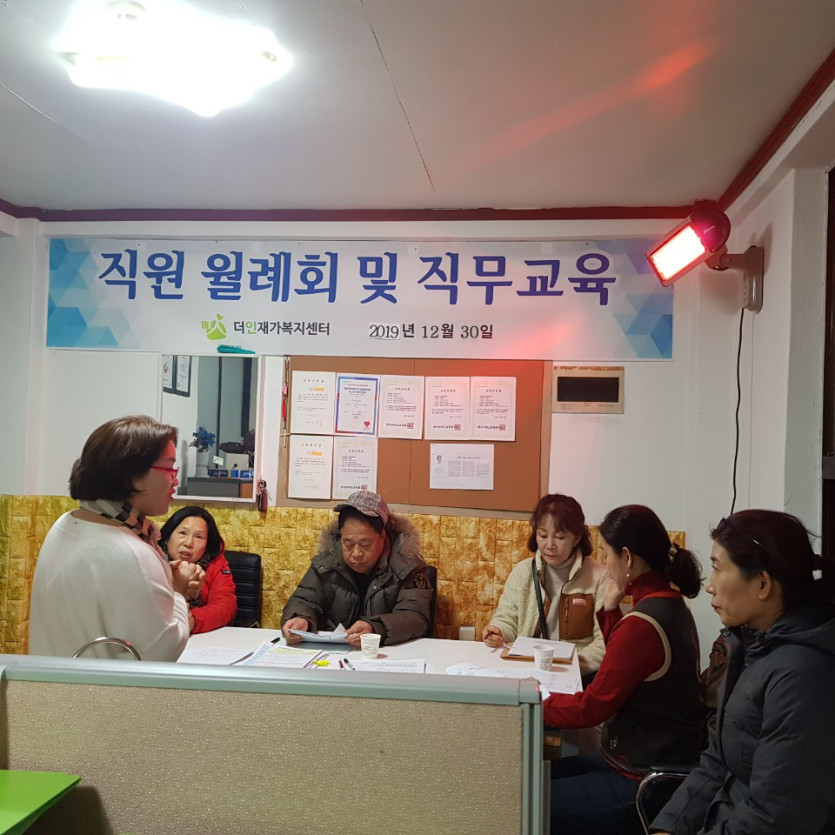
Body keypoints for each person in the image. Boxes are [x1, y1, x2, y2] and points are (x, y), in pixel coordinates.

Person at [651, 510, 835, 835]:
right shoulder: (750, 647)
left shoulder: (801, 676)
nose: (709, 586)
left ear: (762, 584)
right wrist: (669, 827)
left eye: (718, 569)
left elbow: (775, 818)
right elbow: (717, 760)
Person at [545, 504, 705, 835]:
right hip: (647, 764)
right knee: (533, 777)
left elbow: (592, 707)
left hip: (640, 782)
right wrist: (610, 608)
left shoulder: (644, 623)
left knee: (521, 799)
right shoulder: (671, 604)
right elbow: (628, 664)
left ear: (628, 558)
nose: (605, 564)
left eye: (607, 554)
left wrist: (537, 701)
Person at [29, 415, 204, 661]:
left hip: (52, 681)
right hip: (95, 687)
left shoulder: (65, 524)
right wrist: (177, 591)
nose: (175, 480)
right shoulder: (130, 552)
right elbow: (160, 655)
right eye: (169, 468)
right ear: (131, 474)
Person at [281, 489, 432, 648]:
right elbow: (303, 601)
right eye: (348, 544)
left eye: (365, 544)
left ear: (382, 537)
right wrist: (301, 619)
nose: (356, 553)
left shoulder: (407, 567)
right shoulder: (326, 562)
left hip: (385, 653)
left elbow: (416, 617)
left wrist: (376, 628)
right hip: (332, 653)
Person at [482, 493, 610, 673]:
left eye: (560, 537)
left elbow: (604, 643)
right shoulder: (523, 572)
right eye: (542, 535)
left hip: (575, 673)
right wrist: (497, 631)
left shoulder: (600, 578)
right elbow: (507, 618)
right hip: (527, 668)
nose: (550, 545)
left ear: (577, 538)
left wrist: (567, 667)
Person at [159, 506, 237, 634]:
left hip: (199, 638)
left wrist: (193, 619)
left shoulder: (216, 563)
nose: (189, 543)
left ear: (207, 544)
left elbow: (225, 607)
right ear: (167, 538)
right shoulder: (153, 557)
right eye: (182, 533)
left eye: (199, 537)